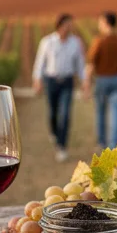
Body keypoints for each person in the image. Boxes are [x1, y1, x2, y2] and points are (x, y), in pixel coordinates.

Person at [33, 13, 85, 162]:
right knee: (52, 113)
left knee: (65, 114)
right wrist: (37, 80)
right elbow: (40, 63)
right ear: (60, 25)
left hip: (67, 82)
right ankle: (55, 133)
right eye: (67, 24)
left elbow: (80, 65)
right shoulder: (47, 42)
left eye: (71, 24)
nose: (69, 27)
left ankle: (62, 146)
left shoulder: (76, 42)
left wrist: (84, 82)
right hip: (51, 81)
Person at [83, 11, 117, 150]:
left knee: (100, 112)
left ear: (105, 23)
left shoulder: (99, 41)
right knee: (116, 113)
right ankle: (114, 145)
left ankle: (101, 142)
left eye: (100, 22)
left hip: (102, 80)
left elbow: (91, 64)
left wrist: (86, 83)